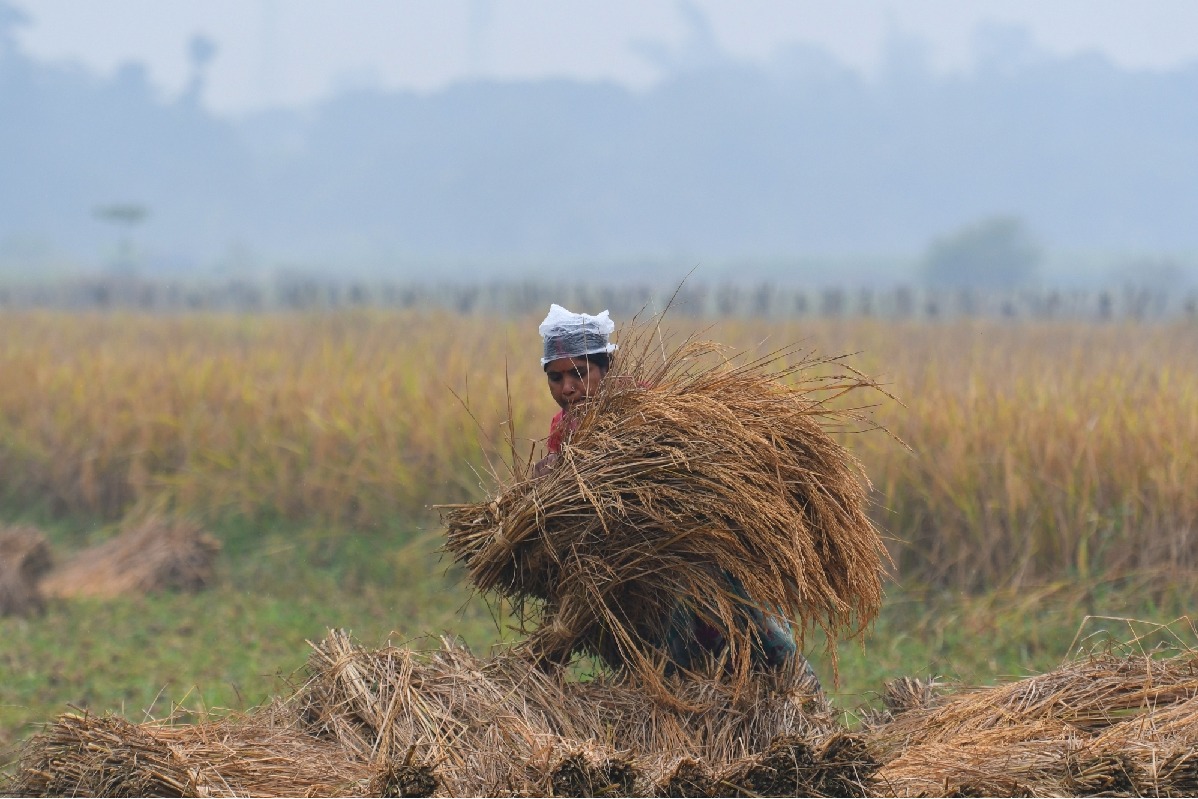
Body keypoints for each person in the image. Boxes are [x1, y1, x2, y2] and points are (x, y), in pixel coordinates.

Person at [533, 305, 819, 687]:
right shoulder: (563, 429)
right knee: (659, 658)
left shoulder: (646, 409)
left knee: (746, 618)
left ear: (605, 369)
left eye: (579, 374)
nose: (568, 387)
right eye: (556, 378)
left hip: (690, 548)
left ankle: (799, 685)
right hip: (627, 565)